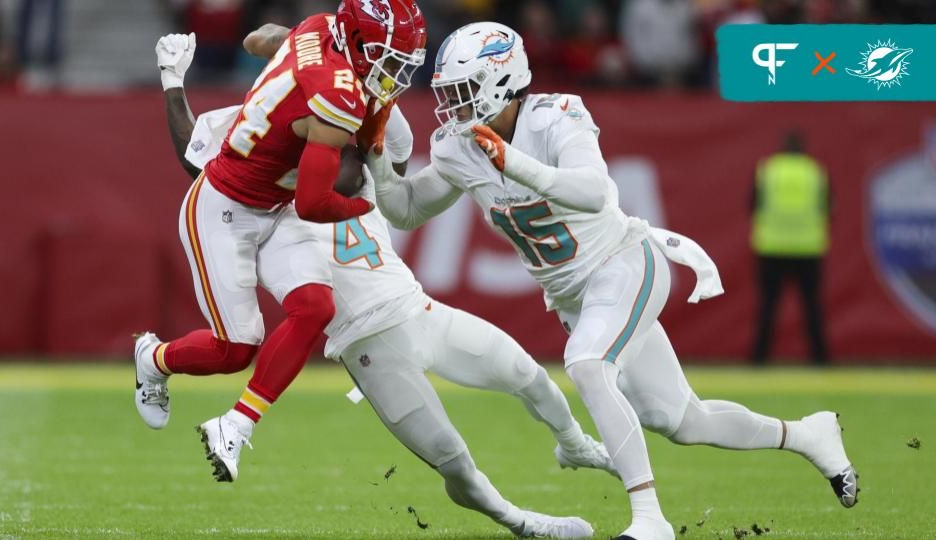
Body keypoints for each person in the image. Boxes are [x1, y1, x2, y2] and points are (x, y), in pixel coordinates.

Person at [364, 22, 858, 539]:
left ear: (501, 81)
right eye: (449, 96)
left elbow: (594, 192)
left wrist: (514, 162)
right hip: (574, 294)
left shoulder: (557, 115)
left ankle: (650, 520)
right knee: (681, 420)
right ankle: (807, 435)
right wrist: (378, 160)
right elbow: (406, 210)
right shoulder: (456, 146)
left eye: (463, 94)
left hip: (623, 265)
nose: (455, 109)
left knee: (586, 363)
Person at [149, 33, 614, 540]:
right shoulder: (259, 155)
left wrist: (294, 47)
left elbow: (377, 128)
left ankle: (573, 442)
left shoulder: (356, 113)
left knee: (527, 373)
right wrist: (174, 82)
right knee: (454, 461)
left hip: (414, 306)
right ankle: (521, 523)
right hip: (367, 343)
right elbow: (197, 162)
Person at [133, 0, 427, 484]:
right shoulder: (336, 96)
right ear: (357, 44)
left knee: (315, 308)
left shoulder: (322, 30)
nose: (395, 70)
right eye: (388, 56)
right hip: (225, 210)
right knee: (234, 349)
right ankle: (152, 358)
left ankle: (236, 424)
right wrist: (364, 205)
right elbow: (314, 204)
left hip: (277, 201)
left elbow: (260, 38)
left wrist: (292, 51)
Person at [750, 130, 831, 365]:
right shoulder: (815, 172)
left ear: (782, 148)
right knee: (812, 308)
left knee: (768, 308)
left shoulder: (768, 171)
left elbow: (754, 205)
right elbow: (828, 208)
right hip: (808, 248)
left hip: (771, 247)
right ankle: (821, 360)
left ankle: (758, 360)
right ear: (803, 150)